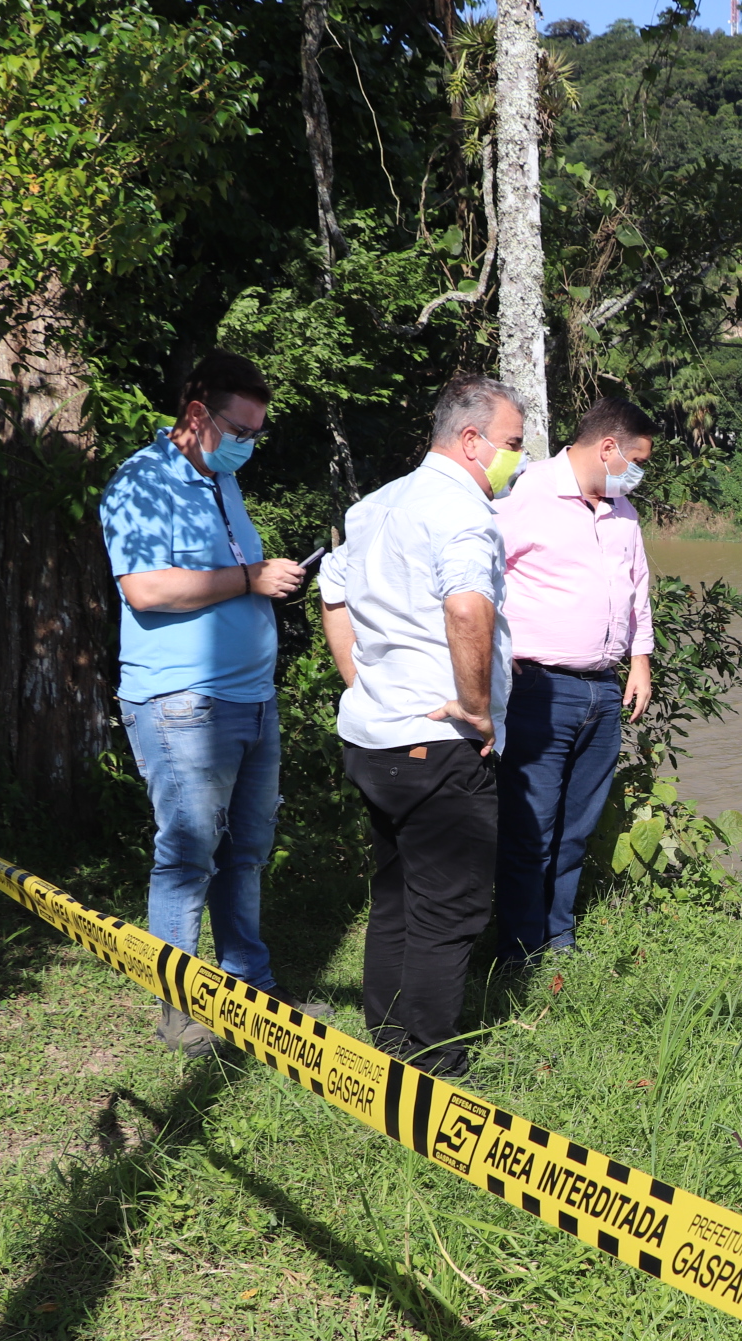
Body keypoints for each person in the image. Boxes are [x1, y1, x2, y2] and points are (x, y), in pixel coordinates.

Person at [101, 351, 311, 1057]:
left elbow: (222, 578)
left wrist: (264, 580)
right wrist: (251, 577)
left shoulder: (218, 484)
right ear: (197, 415)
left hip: (251, 699)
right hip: (181, 704)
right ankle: (180, 1008)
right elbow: (146, 590)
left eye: (258, 432)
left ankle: (248, 987)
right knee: (188, 855)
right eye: (241, 429)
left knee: (246, 852)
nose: (249, 444)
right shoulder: (141, 482)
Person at [318, 376, 523, 1076]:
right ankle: (432, 1060)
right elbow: (468, 611)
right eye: (513, 444)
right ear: (471, 441)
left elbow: (332, 594)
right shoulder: (461, 512)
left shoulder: (375, 505)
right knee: (453, 905)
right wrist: (475, 707)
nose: (517, 460)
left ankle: (390, 1039)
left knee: (399, 892)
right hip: (437, 742)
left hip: (375, 736)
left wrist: (363, 683)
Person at [493, 396, 657, 966]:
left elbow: (637, 589)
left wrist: (640, 661)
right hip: (540, 689)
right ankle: (518, 948)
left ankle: (557, 939)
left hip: (604, 690)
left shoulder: (620, 510)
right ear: (607, 447)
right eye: (636, 460)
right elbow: (478, 576)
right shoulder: (526, 493)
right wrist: (494, 651)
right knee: (530, 827)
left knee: (576, 828)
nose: (638, 474)